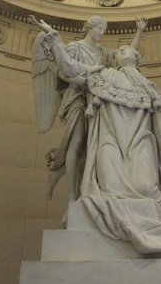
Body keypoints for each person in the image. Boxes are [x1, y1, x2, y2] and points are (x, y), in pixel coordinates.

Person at [30, 16, 161, 255]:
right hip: (109, 144)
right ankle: (78, 201)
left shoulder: (148, 87)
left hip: (142, 145)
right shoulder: (103, 75)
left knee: (146, 188)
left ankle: (150, 234)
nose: (123, 48)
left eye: (127, 48)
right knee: (106, 186)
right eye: (121, 48)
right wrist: (54, 37)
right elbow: (68, 67)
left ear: (135, 59)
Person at [30, 15, 146, 204]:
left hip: (98, 100)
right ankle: (71, 196)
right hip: (77, 97)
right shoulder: (75, 47)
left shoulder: (105, 52)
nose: (102, 32)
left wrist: (139, 31)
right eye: (100, 28)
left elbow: (127, 56)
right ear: (89, 28)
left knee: (96, 144)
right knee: (76, 141)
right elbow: (62, 70)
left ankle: (61, 173)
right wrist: (80, 81)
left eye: (104, 29)